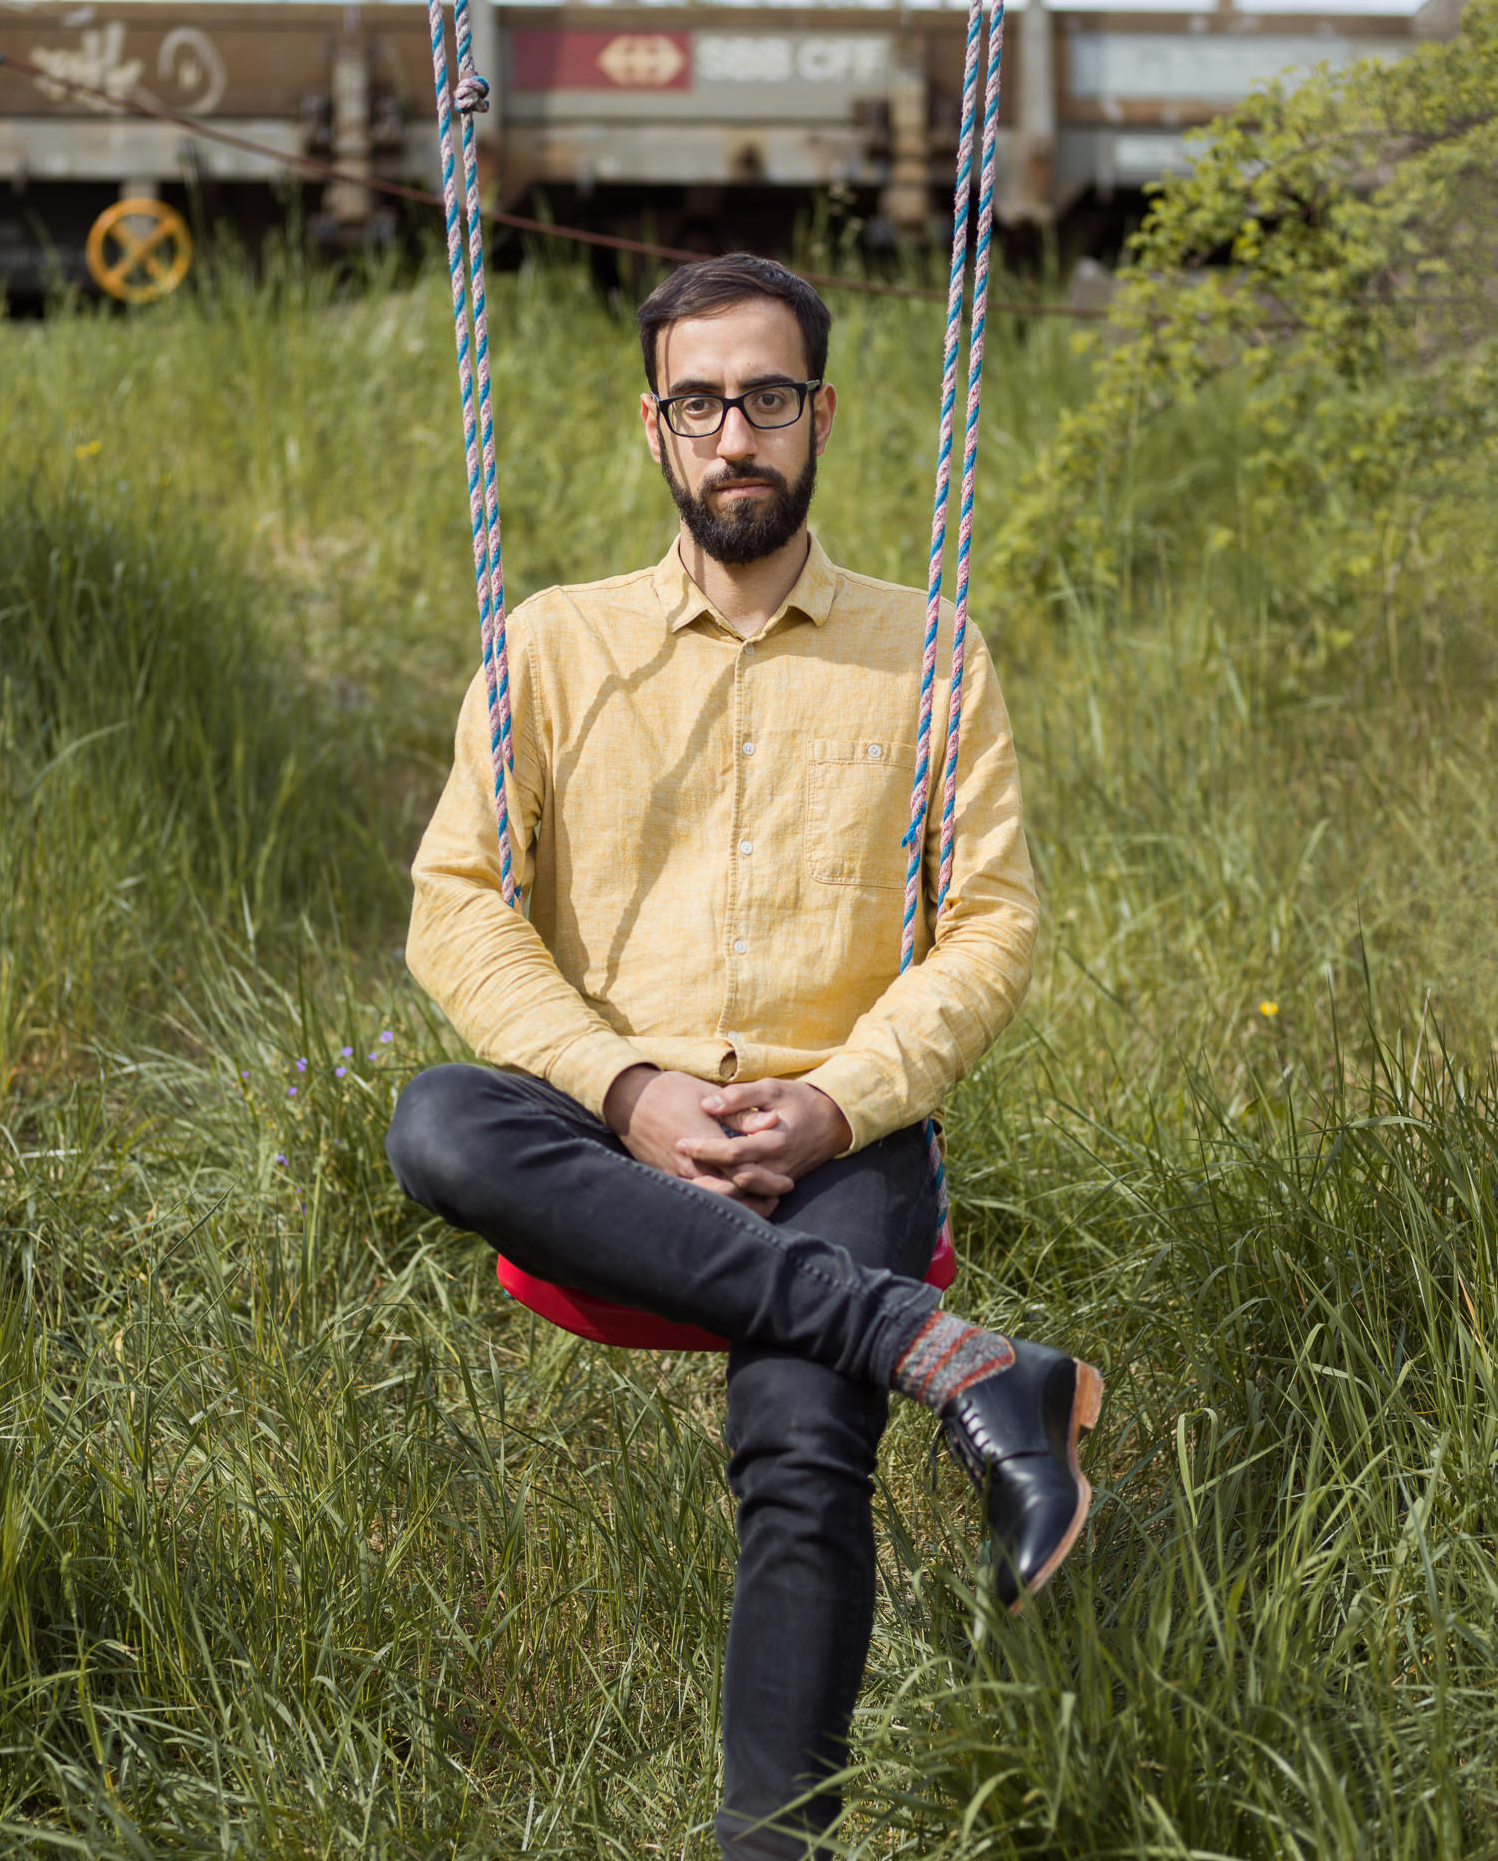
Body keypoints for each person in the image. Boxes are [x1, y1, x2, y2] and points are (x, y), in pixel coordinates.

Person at [386, 253, 1102, 1859]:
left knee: (797, 1435)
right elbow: (457, 904)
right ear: (656, 426)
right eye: (700, 402)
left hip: (842, 1138)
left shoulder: (931, 655)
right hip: (612, 1141)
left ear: (821, 415)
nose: (735, 435)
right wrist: (629, 1090)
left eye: (767, 399)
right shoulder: (554, 648)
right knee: (439, 1120)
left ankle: (765, 1847)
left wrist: (838, 1096)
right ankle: (960, 1364)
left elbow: (990, 925)